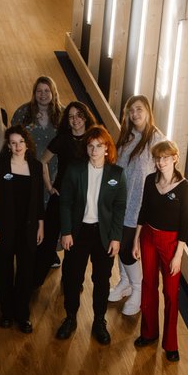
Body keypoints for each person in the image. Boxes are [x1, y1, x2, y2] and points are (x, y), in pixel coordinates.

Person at [57, 126, 127, 345]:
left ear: (107, 148)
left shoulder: (116, 174)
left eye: (99, 146)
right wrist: (66, 231)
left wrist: (116, 237)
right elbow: (65, 202)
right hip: (79, 232)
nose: (94, 150)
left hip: (103, 234)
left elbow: (119, 207)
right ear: (86, 148)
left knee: (102, 279)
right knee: (73, 277)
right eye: (90, 145)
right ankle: (70, 318)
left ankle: (99, 320)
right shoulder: (75, 169)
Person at [132, 140, 188, 362]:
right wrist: (136, 239)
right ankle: (148, 333)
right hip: (148, 235)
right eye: (157, 158)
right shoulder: (150, 180)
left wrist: (178, 256)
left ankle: (171, 344)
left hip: (171, 244)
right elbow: (144, 210)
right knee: (148, 285)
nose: (161, 162)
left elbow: (185, 227)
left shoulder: (185, 188)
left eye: (165, 158)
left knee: (170, 293)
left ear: (175, 158)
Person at [108, 95, 165, 315]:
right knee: (118, 244)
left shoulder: (156, 139)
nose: (135, 114)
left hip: (139, 205)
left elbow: (162, 175)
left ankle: (138, 290)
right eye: (131, 111)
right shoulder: (126, 136)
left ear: (148, 111)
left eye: (139, 109)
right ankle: (125, 282)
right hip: (121, 201)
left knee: (126, 248)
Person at [0, 126, 45, 333]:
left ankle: (23, 314)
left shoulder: (36, 166)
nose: (17, 146)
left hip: (28, 227)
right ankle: (6, 312)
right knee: (3, 271)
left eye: (21, 141)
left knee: (25, 272)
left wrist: (41, 225)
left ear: (27, 143)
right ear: (8, 145)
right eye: (13, 142)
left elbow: (39, 200)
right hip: (3, 227)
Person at [33, 101, 96, 286]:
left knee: (75, 247)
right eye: (71, 116)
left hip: (82, 202)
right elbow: (42, 161)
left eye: (79, 115)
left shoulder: (93, 140)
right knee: (48, 241)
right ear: (67, 120)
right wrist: (49, 186)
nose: (75, 119)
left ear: (86, 116)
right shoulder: (62, 138)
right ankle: (36, 281)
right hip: (59, 197)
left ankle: (71, 283)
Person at [11, 76, 65, 171]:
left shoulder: (64, 114)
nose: (43, 94)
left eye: (47, 90)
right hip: (28, 167)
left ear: (53, 92)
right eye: (39, 91)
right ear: (34, 93)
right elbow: (12, 139)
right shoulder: (22, 112)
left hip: (57, 169)